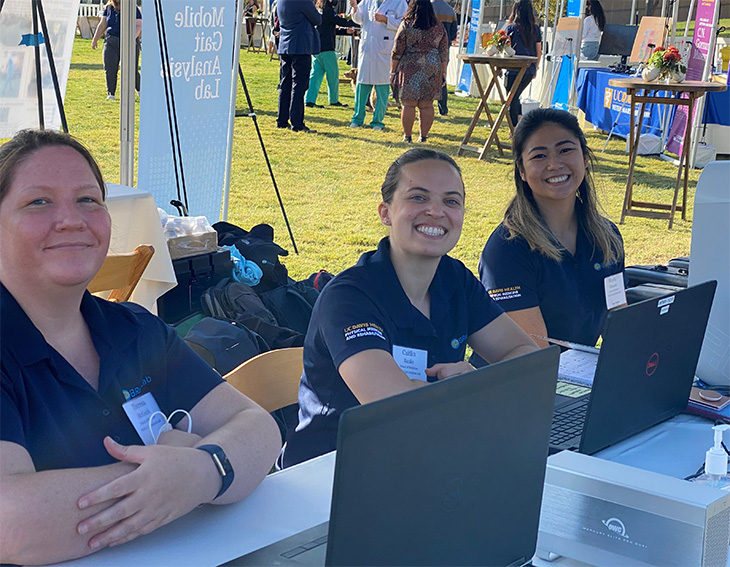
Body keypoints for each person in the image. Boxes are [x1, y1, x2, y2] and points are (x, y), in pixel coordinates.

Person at [0, 130, 282, 565]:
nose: (72, 219)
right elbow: (13, 523)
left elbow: (258, 428)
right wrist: (164, 478)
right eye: (38, 202)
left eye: (88, 200)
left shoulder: (133, 328)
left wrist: (200, 471)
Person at [281, 148, 538, 467]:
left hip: (430, 459)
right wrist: (474, 392)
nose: (436, 211)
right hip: (333, 474)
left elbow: (528, 358)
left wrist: (474, 381)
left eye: (451, 201)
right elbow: (398, 412)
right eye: (418, 197)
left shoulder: (454, 279)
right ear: (386, 212)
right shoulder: (348, 299)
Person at [479, 108, 625, 351]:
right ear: (522, 171)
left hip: (579, 376)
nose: (554, 164)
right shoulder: (507, 249)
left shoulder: (607, 237)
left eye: (565, 150)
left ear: (585, 159)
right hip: (528, 381)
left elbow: (619, 323)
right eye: (539, 156)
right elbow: (534, 355)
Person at [390, 0, 449, 143]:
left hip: (410, 65)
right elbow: (443, 51)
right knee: (427, 105)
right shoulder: (438, 26)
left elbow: (397, 50)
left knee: (408, 104)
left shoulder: (407, 24)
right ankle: (423, 137)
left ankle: (407, 136)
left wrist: (393, 72)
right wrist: (443, 72)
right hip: (432, 66)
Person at [348, 0, 408, 131]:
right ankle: (357, 118)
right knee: (362, 85)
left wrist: (386, 20)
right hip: (368, 49)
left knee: (382, 89)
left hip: (384, 50)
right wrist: (355, 8)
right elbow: (359, 19)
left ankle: (378, 121)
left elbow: (405, 24)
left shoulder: (399, 3)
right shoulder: (368, 1)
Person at [276, 0, 322, 133]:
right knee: (299, 85)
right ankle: (297, 123)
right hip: (301, 46)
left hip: (285, 45)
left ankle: (282, 120)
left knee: (285, 84)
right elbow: (317, 19)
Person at [305, 0, 354, 108]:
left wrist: (345, 32)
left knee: (315, 76)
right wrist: (356, 22)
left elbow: (328, 28)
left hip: (316, 48)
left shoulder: (318, 9)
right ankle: (333, 99)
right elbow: (339, 21)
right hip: (327, 48)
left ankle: (309, 100)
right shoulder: (328, 10)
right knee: (333, 75)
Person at [91, 0, 142, 101]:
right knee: (110, 68)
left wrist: (131, 39)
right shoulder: (109, 8)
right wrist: (95, 39)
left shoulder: (133, 9)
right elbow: (102, 25)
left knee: (132, 69)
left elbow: (139, 25)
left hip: (129, 41)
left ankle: (140, 91)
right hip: (111, 41)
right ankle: (111, 93)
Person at [503, 0, 542, 128]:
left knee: (511, 99)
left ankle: (515, 127)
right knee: (515, 97)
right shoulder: (535, 29)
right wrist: (535, 68)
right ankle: (518, 123)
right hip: (528, 70)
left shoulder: (512, 28)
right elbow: (539, 52)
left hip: (513, 69)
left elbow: (505, 49)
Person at [431, 0, 458, 116]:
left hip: (429, 48)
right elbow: (453, 34)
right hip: (445, 49)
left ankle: (425, 106)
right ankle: (443, 109)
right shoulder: (450, 11)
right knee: (442, 77)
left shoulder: (429, 8)